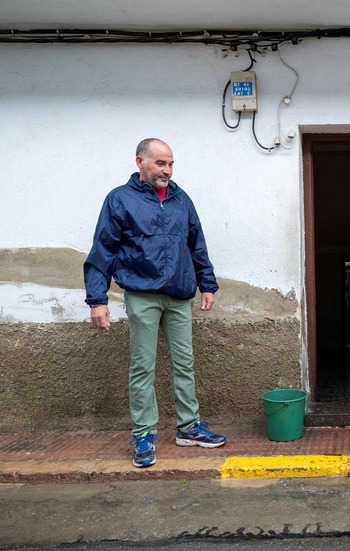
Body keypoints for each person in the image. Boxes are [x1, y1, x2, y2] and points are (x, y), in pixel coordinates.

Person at [84, 138, 226, 468]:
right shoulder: (119, 199)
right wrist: (97, 299)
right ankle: (144, 434)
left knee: (184, 364)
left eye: (171, 164)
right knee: (142, 368)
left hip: (178, 294)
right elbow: (103, 249)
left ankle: (189, 428)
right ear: (141, 162)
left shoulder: (180, 199)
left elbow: (196, 244)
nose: (167, 170)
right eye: (161, 163)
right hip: (142, 294)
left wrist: (207, 284)